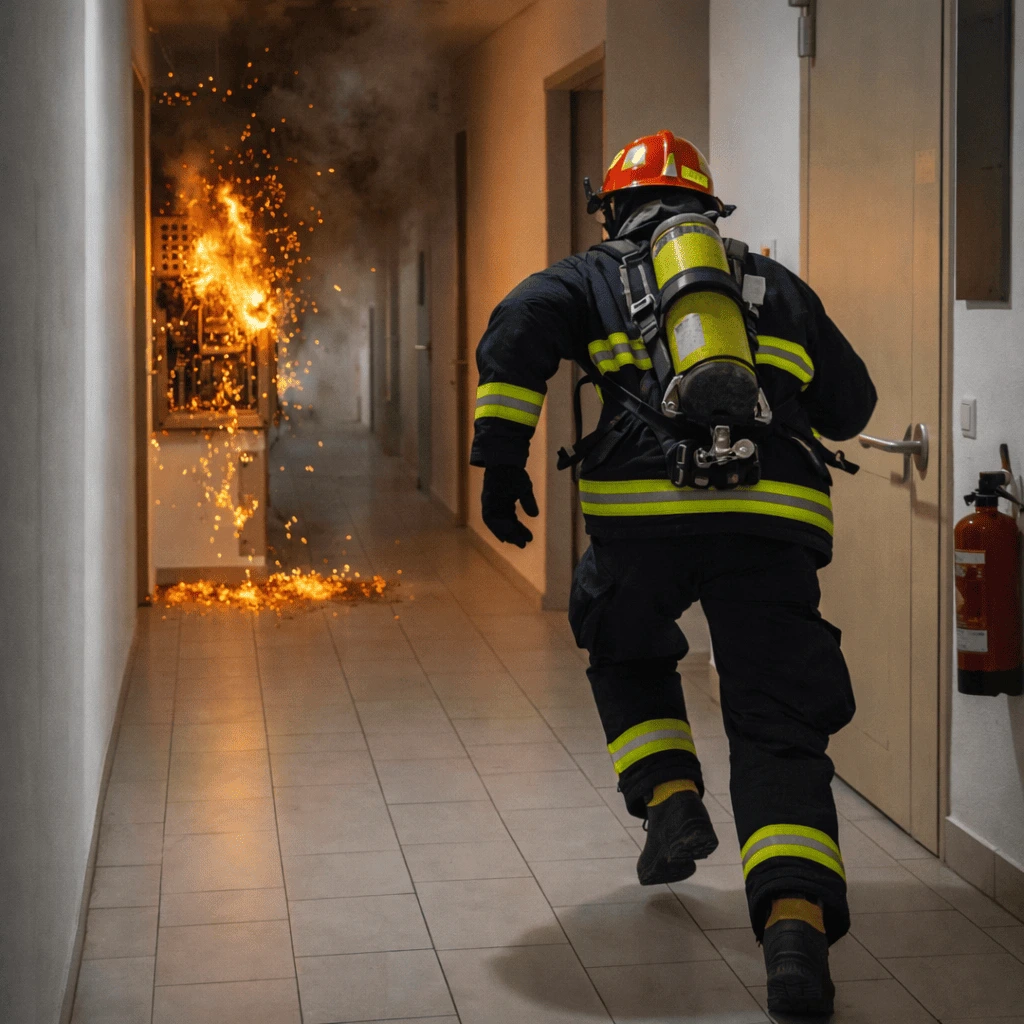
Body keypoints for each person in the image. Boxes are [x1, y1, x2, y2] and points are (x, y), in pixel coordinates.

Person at [470, 129, 877, 1016]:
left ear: (614, 207)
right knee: (777, 724)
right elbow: (854, 409)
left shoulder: (587, 278)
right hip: (772, 529)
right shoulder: (770, 284)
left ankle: (668, 798)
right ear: (707, 207)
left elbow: (516, 332)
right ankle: (797, 934)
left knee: (624, 642)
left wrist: (501, 459)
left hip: (643, 528)